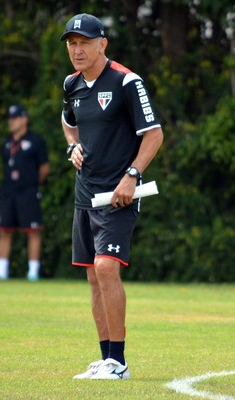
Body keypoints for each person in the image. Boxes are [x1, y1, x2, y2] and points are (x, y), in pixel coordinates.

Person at [60, 13, 163, 380]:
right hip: (84, 194)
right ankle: (105, 358)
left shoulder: (126, 82)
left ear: (102, 44)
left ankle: (118, 363)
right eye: (72, 43)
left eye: (85, 42)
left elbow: (153, 134)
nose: (77, 49)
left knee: (106, 267)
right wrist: (72, 146)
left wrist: (131, 176)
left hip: (118, 195)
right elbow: (69, 122)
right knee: (92, 275)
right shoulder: (71, 84)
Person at [0, 104, 50, 282]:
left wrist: (32, 184)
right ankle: (1, 272)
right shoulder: (6, 142)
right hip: (9, 192)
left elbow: (44, 168)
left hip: (28, 192)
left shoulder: (36, 141)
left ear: (24, 119)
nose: (11, 122)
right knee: (4, 231)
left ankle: (33, 272)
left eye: (15, 118)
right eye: (10, 118)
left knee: (32, 231)